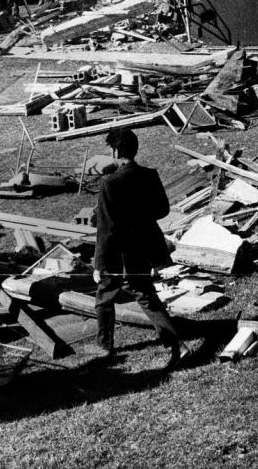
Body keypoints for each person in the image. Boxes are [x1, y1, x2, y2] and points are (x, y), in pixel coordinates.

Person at [93, 128, 191, 368]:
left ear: (115, 151)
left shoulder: (109, 181)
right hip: (143, 246)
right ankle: (177, 345)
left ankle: (105, 347)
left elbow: (105, 228)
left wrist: (99, 264)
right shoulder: (149, 174)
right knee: (145, 295)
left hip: (118, 249)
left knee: (105, 297)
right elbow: (162, 210)